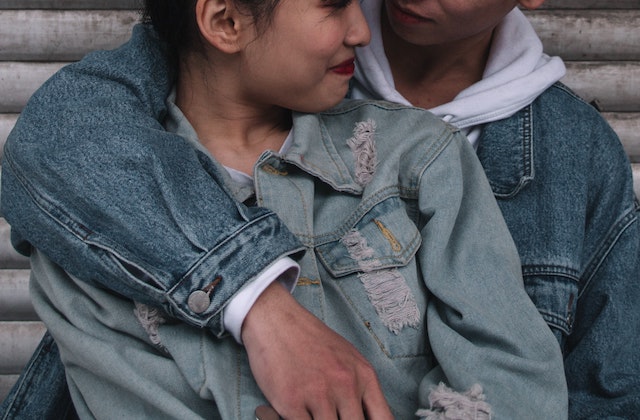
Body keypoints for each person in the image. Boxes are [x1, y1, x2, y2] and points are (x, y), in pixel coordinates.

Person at [0, 0, 569, 418]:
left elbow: (515, 379)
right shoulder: (94, 230)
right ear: (226, 21)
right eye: (334, 5)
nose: (362, 30)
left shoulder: (414, 158)